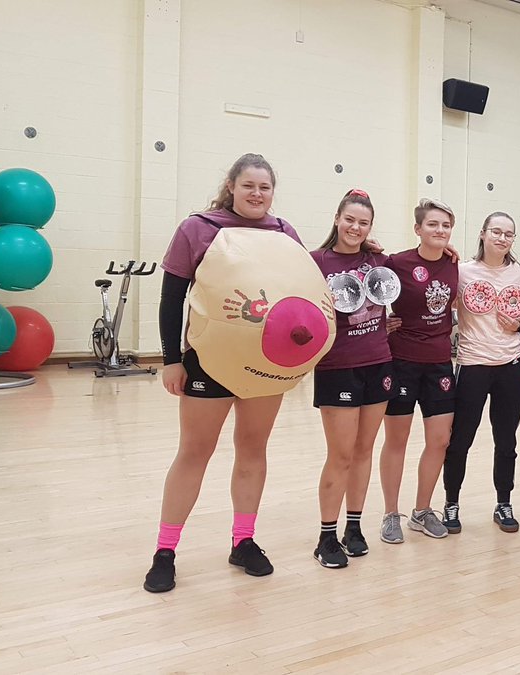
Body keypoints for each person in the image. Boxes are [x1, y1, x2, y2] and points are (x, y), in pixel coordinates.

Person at [144, 153, 302, 593]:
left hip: (265, 365)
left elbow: (296, 296)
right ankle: (165, 551)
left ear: (273, 192)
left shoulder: (284, 233)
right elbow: (170, 298)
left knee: (253, 449)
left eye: (264, 187)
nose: (256, 194)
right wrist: (170, 358)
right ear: (231, 185)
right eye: (248, 185)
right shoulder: (199, 229)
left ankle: (243, 541)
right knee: (195, 452)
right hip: (207, 362)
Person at [309, 189, 398, 568]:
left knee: (364, 450)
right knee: (341, 454)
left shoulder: (378, 259)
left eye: (363, 223)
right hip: (337, 368)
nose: (355, 227)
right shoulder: (315, 261)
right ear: (337, 219)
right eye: (350, 220)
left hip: (379, 362)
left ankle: (354, 527)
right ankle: (326, 537)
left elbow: (411, 271)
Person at [441, 212, 520, 534]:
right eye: (496, 231)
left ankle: (503, 503)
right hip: (472, 364)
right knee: (459, 440)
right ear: (482, 234)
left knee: (506, 441)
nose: (502, 238)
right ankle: (451, 504)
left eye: (509, 233)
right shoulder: (462, 271)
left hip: (510, 366)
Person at [379, 198, 459, 544]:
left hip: (440, 362)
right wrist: (380, 321)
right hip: (401, 363)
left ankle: (422, 511)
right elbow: (366, 282)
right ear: (418, 229)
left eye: (445, 226)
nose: (440, 231)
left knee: (440, 441)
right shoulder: (396, 263)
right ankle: (390, 514)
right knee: (396, 440)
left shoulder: (456, 265)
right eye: (433, 225)